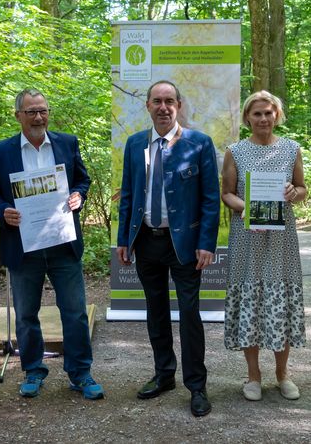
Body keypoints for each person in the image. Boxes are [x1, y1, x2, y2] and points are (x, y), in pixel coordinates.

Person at [0, 88, 104, 400]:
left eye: (43, 110)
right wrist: (1, 211)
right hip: (23, 246)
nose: (38, 117)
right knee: (26, 314)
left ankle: (80, 373)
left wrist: (79, 195)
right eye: (31, 112)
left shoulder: (67, 142)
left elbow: (82, 179)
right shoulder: (0, 151)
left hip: (63, 243)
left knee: (75, 311)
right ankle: (34, 370)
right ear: (18, 116)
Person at [117, 80, 220, 417]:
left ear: (179, 105)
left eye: (169, 101)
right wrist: (123, 239)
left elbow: (209, 199)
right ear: (147, 106)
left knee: (189, 314)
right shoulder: (134, 144)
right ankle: (164, 375)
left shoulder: (199, 143)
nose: (163, 107)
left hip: (185, 246)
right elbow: (128, 196)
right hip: (146, 241)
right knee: (156, 311)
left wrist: (206, 243)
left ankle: (197, 386)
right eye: (157, 101)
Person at [220, 90, 307, 402]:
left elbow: (302, 189)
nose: (263, 119)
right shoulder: (236, 151)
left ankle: (283, 374)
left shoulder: (291, 149)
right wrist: (246, 208)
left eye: (269, 113)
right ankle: (253, 376)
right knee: (251, 302)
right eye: (257, 114)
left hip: (281, 238)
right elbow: (226, 193)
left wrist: (293, 193)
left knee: (279, 300)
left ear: (277, 116)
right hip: (248, 238)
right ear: (247, 118)